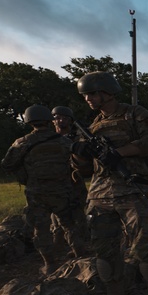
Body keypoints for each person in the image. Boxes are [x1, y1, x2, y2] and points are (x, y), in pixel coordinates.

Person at [70, 71, 148, 295]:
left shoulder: (135, 114)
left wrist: (120, 153)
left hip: (131, 190)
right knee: (104, 250)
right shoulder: (91, 126)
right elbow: (83, 169)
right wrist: (79, 152)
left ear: (107, 92)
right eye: (85, 96)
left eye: (91, 94)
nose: (88, 99)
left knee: (144, 247)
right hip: (100, 195)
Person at [1, 105, 87, 274]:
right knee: (70, 225)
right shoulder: (64, 141)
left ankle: (50, 264)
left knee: (41, 229)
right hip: (63, 191)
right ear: (49, 120)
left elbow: (7, 164)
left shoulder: (22, 142)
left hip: (37, 193)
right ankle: (81, 257)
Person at [50, 105, 90, 256]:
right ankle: (59, 244)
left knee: (78, 214)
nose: (61, 121)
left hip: (74, 182)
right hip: (55, 183)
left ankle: (80, 246)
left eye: (65, 118)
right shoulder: (48, 138)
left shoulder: (78, 138)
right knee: (56, 216)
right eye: (57, 118)